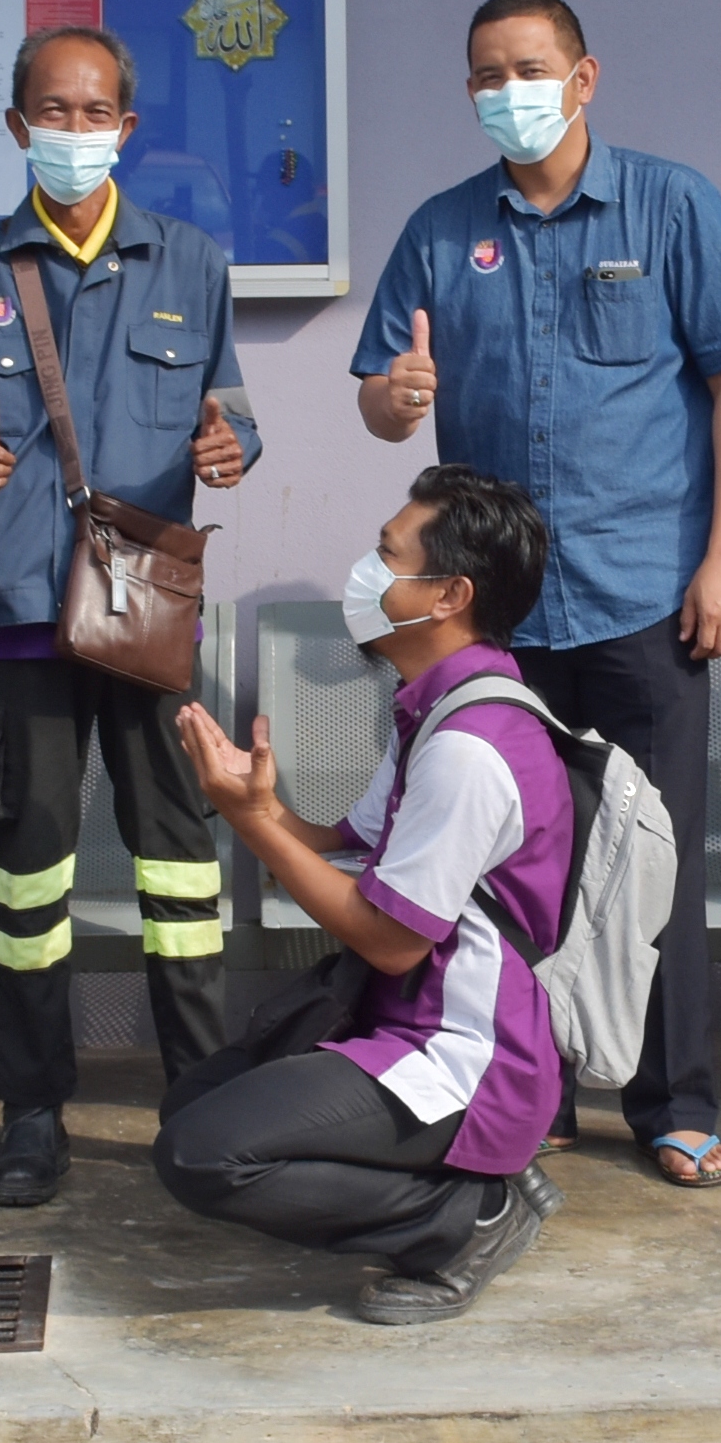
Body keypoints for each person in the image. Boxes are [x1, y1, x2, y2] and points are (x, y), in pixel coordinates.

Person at [351, 0, 721, 1190]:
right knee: (507, 863)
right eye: (487, 76)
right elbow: (380, 395)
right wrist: (393, 400)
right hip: (496, 622)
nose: (509, 93)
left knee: (653, 858)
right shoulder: (441, 231)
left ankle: (670, 1097)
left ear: (583, 78)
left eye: (529, 69)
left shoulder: (670, 204)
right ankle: (526, 1092)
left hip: (643, 593)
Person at [0, 23, 261, 1206]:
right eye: (52, 111)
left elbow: (234, 418)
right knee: (27, 873)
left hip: (144, 608)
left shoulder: (189, 262)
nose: (73, 129)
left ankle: (199, 1098)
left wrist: (230, 449)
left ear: (126, 127)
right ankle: (31, 1110)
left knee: (179, 865)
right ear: (17, 125)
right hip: (20, 611)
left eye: (93, 111)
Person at [154, 467, 570, 1324]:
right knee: (191, 1106)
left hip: (464, 1053)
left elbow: (390, 940)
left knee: (201, 1154)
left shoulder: (472, 747)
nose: (366, 572)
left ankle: (464, 1217)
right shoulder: (438, 705)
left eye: (388, 554)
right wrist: (258, 801)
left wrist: (253, 821)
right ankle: (460, 1179)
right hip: (399, 1018)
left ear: (449, 594)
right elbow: (335, 842)